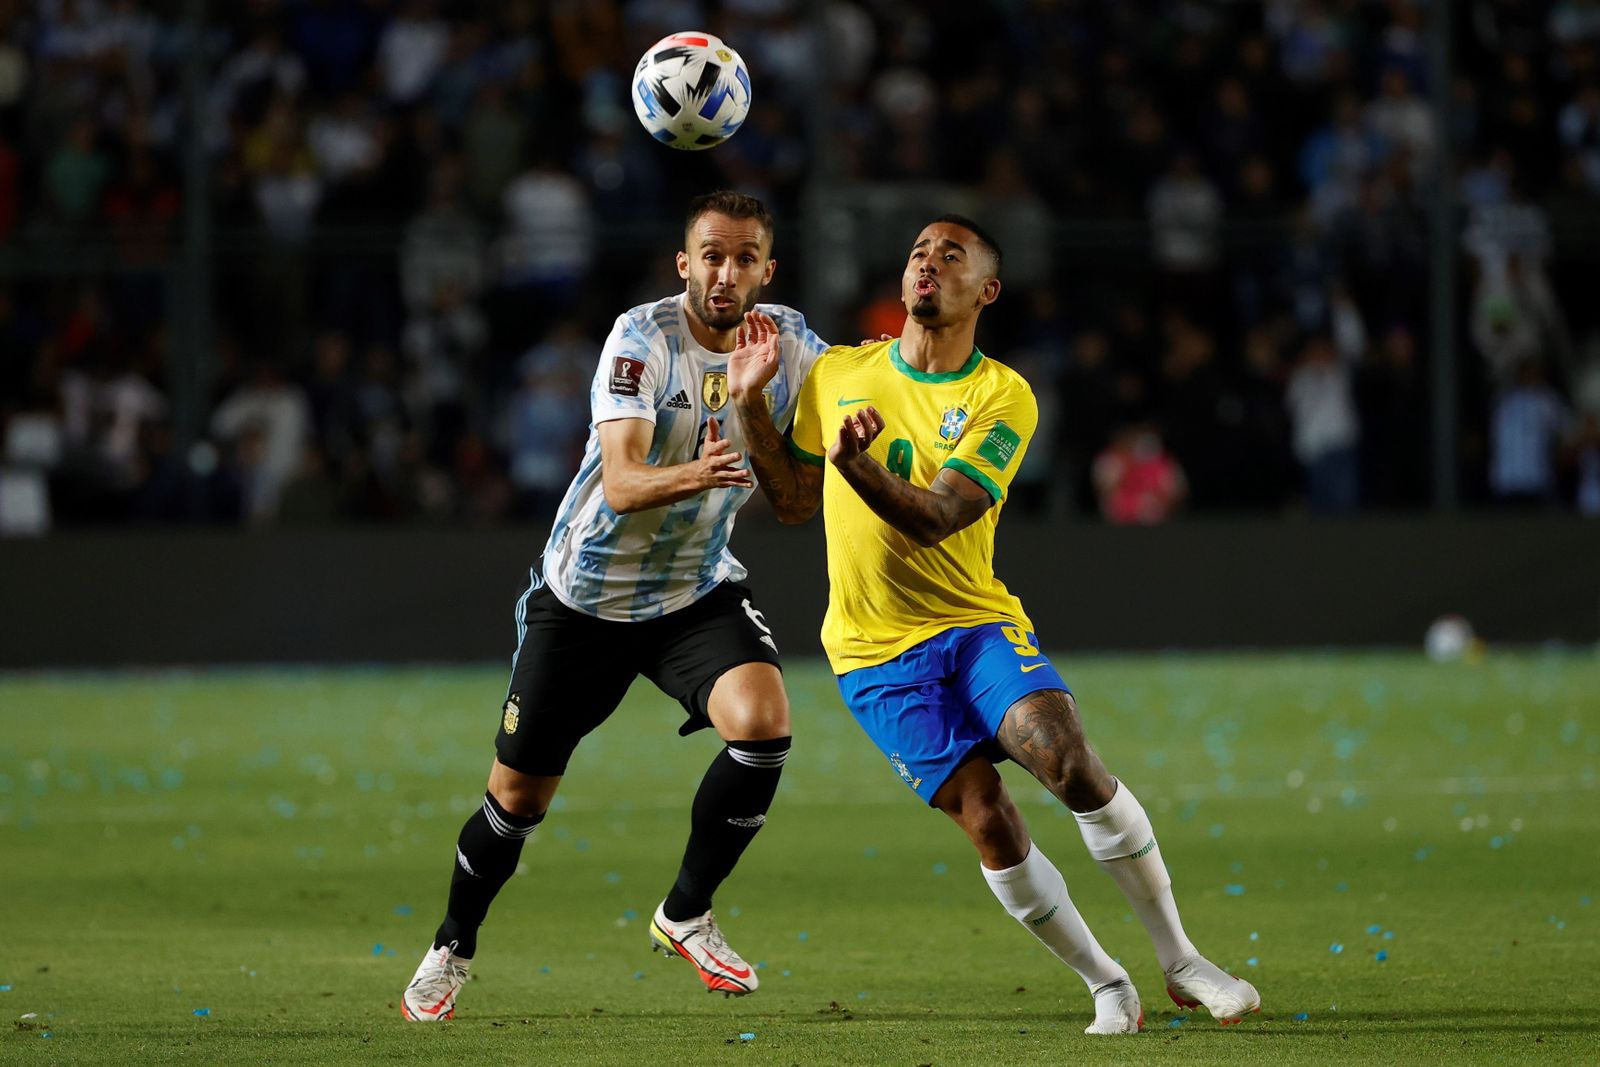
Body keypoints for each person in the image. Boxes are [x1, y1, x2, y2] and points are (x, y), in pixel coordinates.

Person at [727, 215, 1261, 1035]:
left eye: (951, 255)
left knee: (1064, 758)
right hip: (872, 652)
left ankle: (1183, 958)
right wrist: (752, 403)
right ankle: (1107, 982)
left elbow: (940, 515)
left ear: (988, 289)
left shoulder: (1002, 395)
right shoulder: (839, 373)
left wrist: (858, 466)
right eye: (916, 253)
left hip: (972, 623)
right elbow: (794, 502)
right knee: (987, 816)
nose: (926, 264)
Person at [402, 190, 829, 1020]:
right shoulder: (641, 338)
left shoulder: (790, 344)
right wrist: (697, 474)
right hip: (584, 600)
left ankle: (685, 913)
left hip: (693, 591)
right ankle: (452, 943)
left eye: (745, 257)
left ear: (767, 271)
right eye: (711, 253)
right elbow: (626, 481)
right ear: (684, 262)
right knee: (518, 800)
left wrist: (751, 409)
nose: (725, 271)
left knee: (765, 723)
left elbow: (796, 502)